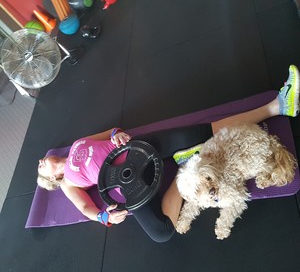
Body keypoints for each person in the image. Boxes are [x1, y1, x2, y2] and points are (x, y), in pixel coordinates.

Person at [37, 64, 300, 243]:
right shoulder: (69, 183)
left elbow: (109, 131)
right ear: (54, 178)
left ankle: (279, 105)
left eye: (39, 163)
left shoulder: (75, 145)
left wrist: (117, 132)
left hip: (138, 148)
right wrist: (104, 216)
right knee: (161, 233)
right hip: (129, 184)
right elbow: (86, 208)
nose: (40, 162)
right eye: (40, 168)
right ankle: (182, 172)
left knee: (204, 132)